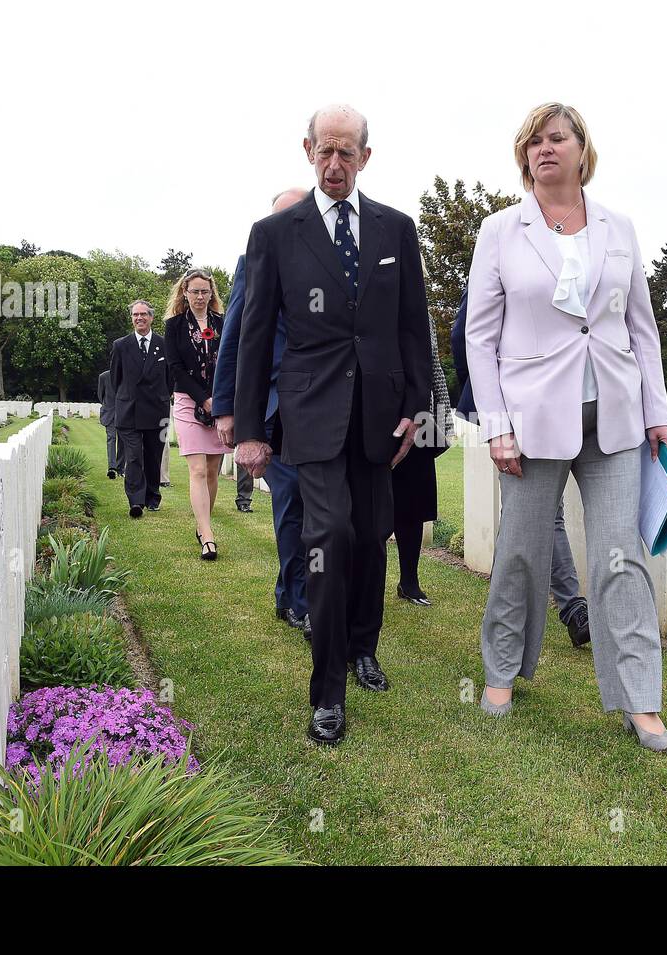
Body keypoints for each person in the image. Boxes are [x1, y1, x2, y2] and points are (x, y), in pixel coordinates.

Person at [465, 102, 667, 753]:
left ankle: (640, 699)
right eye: (534, 140)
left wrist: (658, 412)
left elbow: (640, 325)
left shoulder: (620, 228)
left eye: (558, 137)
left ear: (583, 149)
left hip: (613, 418)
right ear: (524, 156)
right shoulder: (501, 230)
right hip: (531, 421)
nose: (545, 147)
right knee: (522, 551)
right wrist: (496, 423)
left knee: (622, 556)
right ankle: (501, 671)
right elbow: (481, 335)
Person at [234, 105, 432, 746]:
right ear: (308, 150)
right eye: (326, 151)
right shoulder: (275, 234)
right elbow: (255, 334)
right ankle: (326, 691)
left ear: (366, 157)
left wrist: (417, 411)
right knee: (329, 535)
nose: (336, 163)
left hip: (380, 416)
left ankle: (362, 645)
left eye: (348, 153)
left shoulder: (395, 230)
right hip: (310, 415)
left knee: (373, 535)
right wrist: (248, 430)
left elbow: (410, 328)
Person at [451, 286, 591, 646]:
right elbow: (466, 335)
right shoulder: (500, 263)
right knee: (530, 512)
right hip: (511, 408)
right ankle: (562, 607)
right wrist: (488, 398)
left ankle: (568, 606)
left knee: (543, 512)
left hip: (553, 405)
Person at [214, 187, 312, 639]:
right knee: (291, 503)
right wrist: (229, 407)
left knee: (323, 509)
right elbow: (235, 332)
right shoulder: (253, 262)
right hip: (274, 406)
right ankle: (297, 599)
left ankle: (293, 592)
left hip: (324, 406)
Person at [390, 268, 454, 606]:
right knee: (373, 506)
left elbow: (433, 367)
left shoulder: (423, 313)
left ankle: (409, 581)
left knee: (412, 507)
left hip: (420, 417)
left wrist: (442, 420)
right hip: (380, 417)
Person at [164, 268, 227, 561]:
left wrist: (220, 400)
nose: (200, 296)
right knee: (198, 469)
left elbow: (231, 361)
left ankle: (203, 526)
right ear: (184, 293)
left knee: (213, 470)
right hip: (188, 401)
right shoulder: (174, 326)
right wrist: (203, 399)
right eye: (195, 291)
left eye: (205, 291)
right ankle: (208, 537)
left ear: (211, 293)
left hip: (221, 402)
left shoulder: (223, 323)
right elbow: (175, 368)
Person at [109, 299, 171, 518]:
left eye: (143, 314)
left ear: (151, 317)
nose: (139, 318)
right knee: (134, 457)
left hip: (157, 412)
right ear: (132, 318)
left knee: (154, 457)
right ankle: (136, 501)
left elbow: (170, 378)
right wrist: (127, 397)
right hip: (130, 412)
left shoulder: (164, 345)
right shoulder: (121, 346)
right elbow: (116, 380)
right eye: (135, 315)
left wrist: (163, 396)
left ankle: (152, 496)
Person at [97, 368, 122, 479]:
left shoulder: (127, 374)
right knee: (111, 439)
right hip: (110, 412)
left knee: (123, 442)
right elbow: (100, 395)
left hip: (124, 413)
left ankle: (121, 468)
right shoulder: (103, 376)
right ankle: (112, 467)